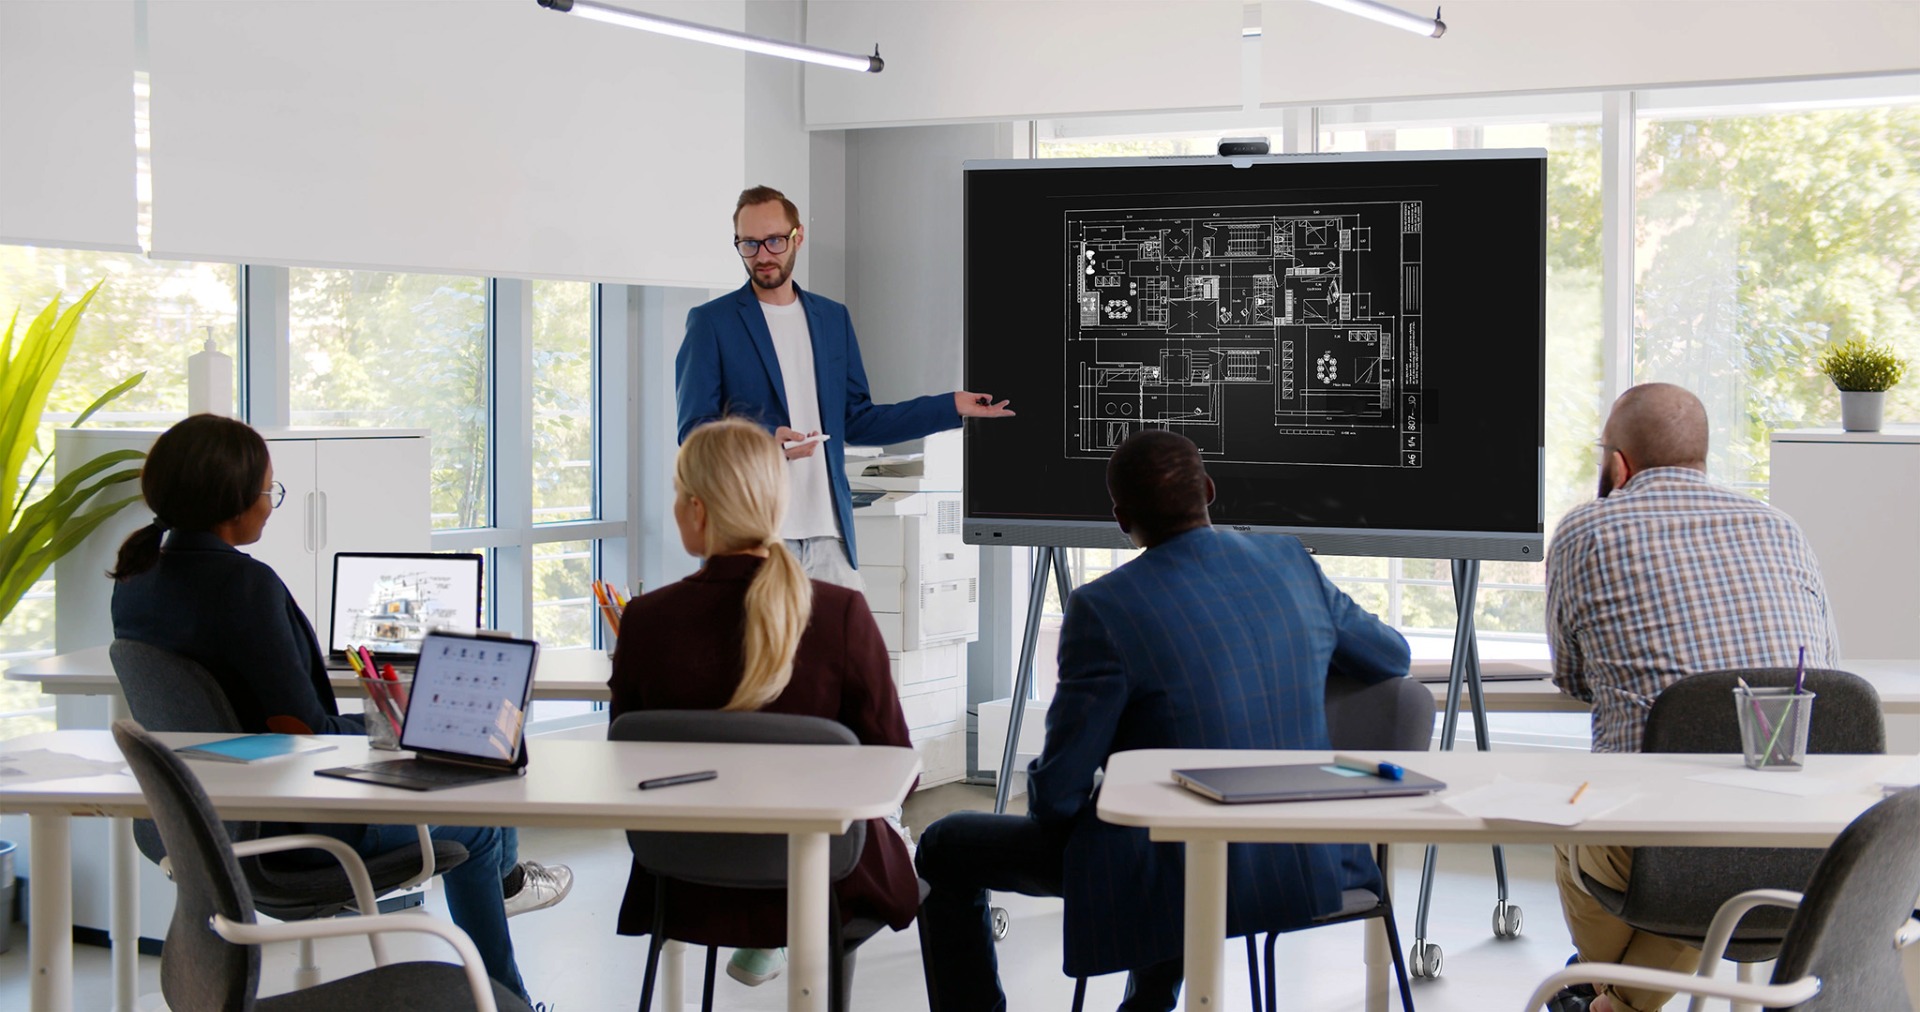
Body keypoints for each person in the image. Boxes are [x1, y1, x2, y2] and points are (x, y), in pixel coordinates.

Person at [914, 429, 1411, 1012]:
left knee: (946, 843)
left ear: (1121, 518)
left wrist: (1111, 784)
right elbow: (1390, 655)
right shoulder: (1289, 562)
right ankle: (1147, 999)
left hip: (1182, 867)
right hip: (1308, 861)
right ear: (1208, 489)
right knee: (1166, 818)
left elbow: (1057, 794)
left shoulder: (1104, 608)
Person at [109, 414, 573, 1003]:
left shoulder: (136, 579)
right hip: (301, 822)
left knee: (461, 758)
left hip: (209, 818)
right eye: (266, 492)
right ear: (232, 502)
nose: (271, 505)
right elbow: (304, 731)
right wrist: (399, 726)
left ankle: (508, 885)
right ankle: (506, 982)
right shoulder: (246, 586)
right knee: (478, 795)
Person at [1544, 382, 1839, 1012]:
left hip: (1661, 847)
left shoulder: (1587, 530)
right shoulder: (1780, 528)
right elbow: (1826, 680)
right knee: (1705, 855)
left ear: (1618, 463)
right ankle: (1614, 1002)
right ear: (1703, 458)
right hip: (1800, 844)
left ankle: (1608, 997)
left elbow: (1574, 681)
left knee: (1580, 818)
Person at [607, 417, 922, 987]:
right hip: (823, 881)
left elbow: (624, 759)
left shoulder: (645, 621)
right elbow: (898, 769)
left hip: (680, 878)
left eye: (679, 497)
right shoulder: (840, 614)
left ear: (698, 511)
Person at [675, 184, 1015, 589]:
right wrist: (766, 440)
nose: (763, 255)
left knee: (843, 651)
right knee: (760, 655)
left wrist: (951, 406)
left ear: (798, 236)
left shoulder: (832, 318)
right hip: (755, 536)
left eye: (774, 241)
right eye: (749, 244)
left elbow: (858, 421)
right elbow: (694, 430)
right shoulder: (712, 322)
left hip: (830, 536)